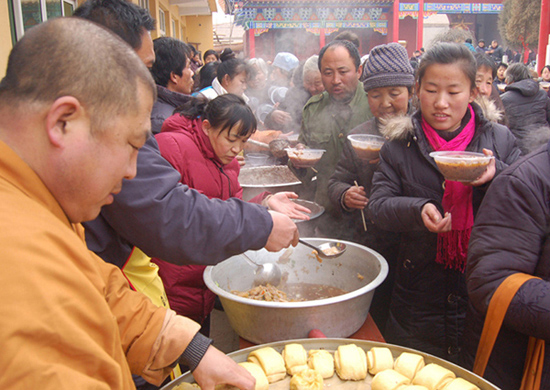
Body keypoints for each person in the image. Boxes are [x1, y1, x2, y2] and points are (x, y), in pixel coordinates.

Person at [0, 17, 256, 390]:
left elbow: (99, 288)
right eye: (133, 147)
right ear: (63, 122)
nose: (133, 173)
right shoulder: (18, 259)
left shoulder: (41, 204)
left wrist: (189, 345)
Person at [75, 0, 299, 314]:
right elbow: (168, 213)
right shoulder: (147, 136)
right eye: (144, 68)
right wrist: (260, 224)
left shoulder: (102, 126)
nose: (129, 171)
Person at [367, 43, 521, 363]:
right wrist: (418, 208)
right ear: (417, 89)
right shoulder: (399, 145)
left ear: (473, 92)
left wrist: (499, 175)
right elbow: (378, 206)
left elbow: (529, 208)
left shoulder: (500, 140)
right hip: (416, 296)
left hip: (482, 293)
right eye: (431, 90)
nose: (441, 103)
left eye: (453, 91)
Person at [152, 94, 310, 330]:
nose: (237, 149)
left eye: (244, 141)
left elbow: (230, 209)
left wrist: (265, 203)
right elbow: (171, 218)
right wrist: (261, 222)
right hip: (171, 283)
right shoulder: (170, 146)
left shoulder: (228, 161)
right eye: (231, 139)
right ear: (206, 127)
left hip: (204, 279)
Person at [327, 42, 414, 333]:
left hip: (413, 249)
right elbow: (336, 179)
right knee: (373, 319)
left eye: (395, 93)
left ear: (410, 92)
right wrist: (344, 195)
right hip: (372, 244)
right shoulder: (359, 135)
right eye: (375, 95)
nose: (386, 102)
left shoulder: (423, 133)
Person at [460, 141, 550, 390]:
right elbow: (490, 280)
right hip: (519, 366)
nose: (442, 104)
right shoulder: (524, 181)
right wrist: (416, 209)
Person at [296, 39, 372, 235]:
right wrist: (298, 161)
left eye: (343, 71)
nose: (335, 80)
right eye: (328, 73)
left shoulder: (374, 104)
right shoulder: (313, 108)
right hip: (327, 213)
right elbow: (307, 171)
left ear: (359, 71)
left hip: (368, 215)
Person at [264, 55, 324, 133]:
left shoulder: (334, 96)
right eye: (308, 82)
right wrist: (273, 116)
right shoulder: (295, 94)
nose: (312, 88)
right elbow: (272, 123)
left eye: (317, 83)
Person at [501, 62, 550, 154]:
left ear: (509, 79)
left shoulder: (504, 99)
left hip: (518, 149)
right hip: (544, 146)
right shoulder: (542, 94)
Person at [150, 37, 194, 134]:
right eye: (188, 67)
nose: (192, 73)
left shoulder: (175, 108)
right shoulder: (161, 122)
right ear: (174, 76)